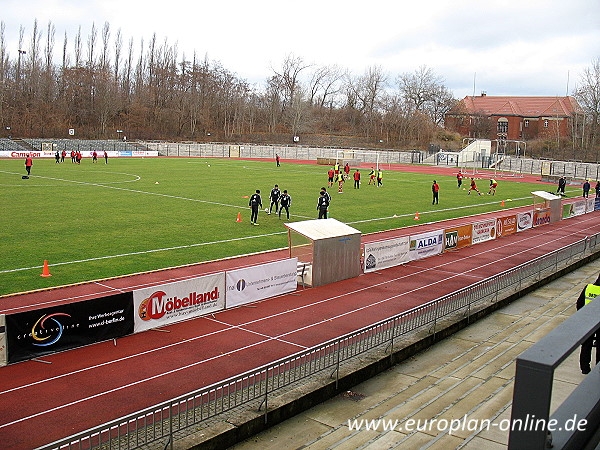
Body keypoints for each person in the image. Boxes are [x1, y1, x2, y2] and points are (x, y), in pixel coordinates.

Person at [577, 274, 600, 374]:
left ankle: (585, 368)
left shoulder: (588, 288)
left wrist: (584, 315)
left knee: (586, 345)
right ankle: (598, 369)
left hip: (588, 320)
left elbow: (579, 303)